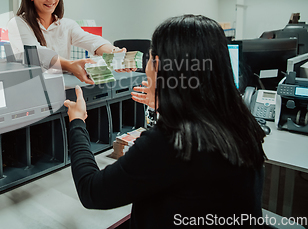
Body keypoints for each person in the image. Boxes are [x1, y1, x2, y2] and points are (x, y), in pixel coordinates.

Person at [64, 14, 266, 228]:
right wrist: (167, 105)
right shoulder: (241, 120)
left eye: (150, 58)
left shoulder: (172, 139)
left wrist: (77, 122)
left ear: (158, 65)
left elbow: (92, 191)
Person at [8, 0, 135, 84]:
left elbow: (92, 41)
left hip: (61, 95)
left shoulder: (67, 25)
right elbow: (37, 54)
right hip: (31, 95)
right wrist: (70, 65)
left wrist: (114, 53)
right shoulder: (18, 24)